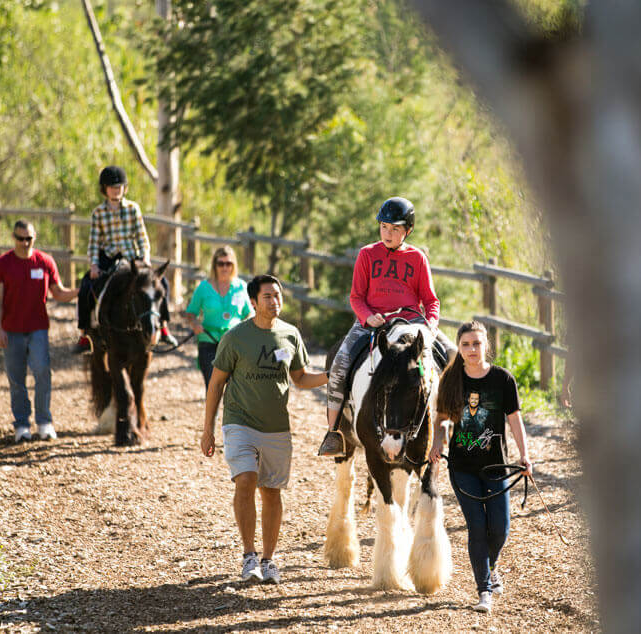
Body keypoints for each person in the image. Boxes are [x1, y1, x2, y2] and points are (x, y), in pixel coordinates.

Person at [200, 274, 327, 584]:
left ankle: (268, 561)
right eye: (267, 296)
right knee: (246, 479)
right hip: (239, 421)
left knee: (271, 492)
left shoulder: (290, 335)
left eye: (277, 295)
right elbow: (216, 384)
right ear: (253, 302)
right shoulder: (236, 337)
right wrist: (207, 430)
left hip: (276, 428)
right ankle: (249, 556)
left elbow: (300, 378)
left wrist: (331, 375)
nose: (274, 301)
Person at [317, 196, 457, 457]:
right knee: (339, 364)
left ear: (408, 230)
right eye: (384, 227)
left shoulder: (417, 258)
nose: (388, 233)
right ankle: (333, 432)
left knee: (454, 356)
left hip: (413, 323)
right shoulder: (367, 255)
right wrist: (367, 317)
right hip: (372, 323)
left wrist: (431, 325)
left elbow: (431, 301)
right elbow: (356, 297)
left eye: (395, 228)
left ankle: (455, 424)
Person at [429, 320, 531, 614]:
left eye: (476, 343)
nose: (472, 349)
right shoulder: (450, 380)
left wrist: (525, 456)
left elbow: (515, 420)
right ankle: (484, 590)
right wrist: (437, 442)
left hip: (496, 466)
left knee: (500, 528)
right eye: (466, 344)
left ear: (486, 345)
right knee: (476, 526)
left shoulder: (503, 379)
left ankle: (491, 565)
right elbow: (442, 418)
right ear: (459, 348)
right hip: (462, 468)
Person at [0, 220, 79, 443]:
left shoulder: (45, 262)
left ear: (34, 238)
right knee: (16, 379)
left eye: (28, 238)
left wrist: (82, 290)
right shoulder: (1, 264)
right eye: (20, 238)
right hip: (12, 330)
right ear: (14, 238)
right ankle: (21, 425)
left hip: (38, 328)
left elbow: (59, 293)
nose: (24, 243)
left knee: (42, 372)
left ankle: (44, 422)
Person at [74, 165, 177, 352]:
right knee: (86, 286)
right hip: (109, 258)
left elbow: (142, 238)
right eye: (112, 187)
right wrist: (94, 265)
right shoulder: (98, 213)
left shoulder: (133, 209)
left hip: (132, 258)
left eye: (119, 187)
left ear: (125, 188)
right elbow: (94, 242)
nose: (116, 190)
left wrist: (145, 257)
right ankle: (85, 333)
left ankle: (163, 326)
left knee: (162, 284)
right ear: (104, 189)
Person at [183, 246, 252, 390]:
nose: (225, 267)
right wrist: (195, 324)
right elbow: (190, 313)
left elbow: (250, 313)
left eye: (228, 263)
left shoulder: (241, 287)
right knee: (213, 387)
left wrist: (245, 330)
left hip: (234, 343)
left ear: (233, 265)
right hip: (208, 341)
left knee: (236, 389)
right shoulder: (203, 287)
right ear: (214, 265)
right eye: (221, 263)